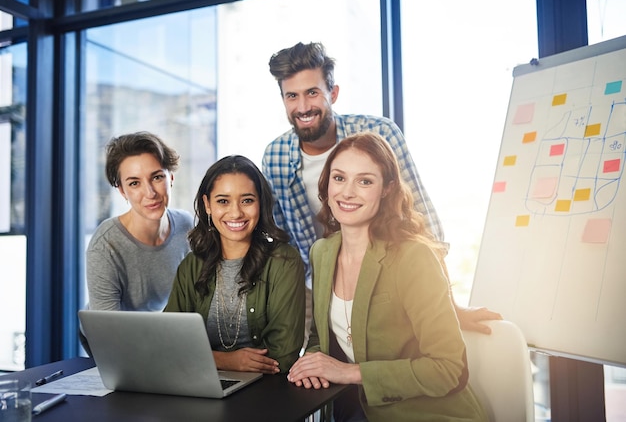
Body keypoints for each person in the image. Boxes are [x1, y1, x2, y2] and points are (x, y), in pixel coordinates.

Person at [263, 41, 500, 335]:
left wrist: (448, 303)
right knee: (318, 371)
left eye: (312, 92)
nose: (303, 107)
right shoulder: (274, 157)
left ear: (332, 93)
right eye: (292, 96)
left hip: (387, 278)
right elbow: (283, 244)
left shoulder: (379, 134)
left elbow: (420, 219)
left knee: (396, 366)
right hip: (320, 287)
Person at [287, 133, 488, 422]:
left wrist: (350, 372)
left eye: (365, 181)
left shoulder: (412, 257)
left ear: (387, 189)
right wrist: (311, 363)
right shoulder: (322, 252)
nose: (347, 192)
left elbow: (449, 369)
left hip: (425, 413)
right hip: (355, 409)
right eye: (339, 178)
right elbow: (323, 338)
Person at [164, 155, 305, 374]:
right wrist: (225, 361)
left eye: (247, 200)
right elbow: (167, 343)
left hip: (265, 392)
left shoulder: (284, 262)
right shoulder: (191, 266)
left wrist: (200, 358)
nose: (236, 212)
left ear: (261, 203)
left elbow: (283, 356)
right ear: (207, 205)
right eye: (223, 201)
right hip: (200, 385)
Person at [86, 131, 194, 312]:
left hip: (164, 330)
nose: (150, 193)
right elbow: (107, 329)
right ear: (122, 191)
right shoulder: (105, 244)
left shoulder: (186, 225)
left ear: (171, 178)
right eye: (134, 183)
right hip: (113, 334)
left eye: (157, 177)